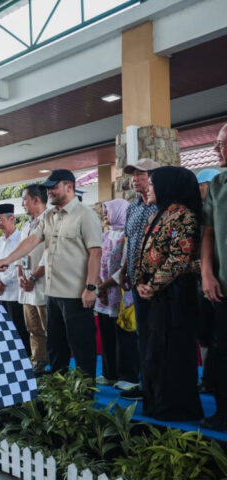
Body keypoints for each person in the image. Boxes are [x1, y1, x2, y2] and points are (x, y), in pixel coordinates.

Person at [0, 169, 102, 380]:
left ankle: (84, 393)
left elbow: (95, 253)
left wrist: (90, 287)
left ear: (69, 186)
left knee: (81, 347)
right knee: (55, 346)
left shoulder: (85, 214)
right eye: (48, 188)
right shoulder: (50, 216)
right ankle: (58, 389)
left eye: (54, 187)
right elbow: (31, 241)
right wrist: (7, 260)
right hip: (52, 294)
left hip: (76, 295)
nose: (49, 192)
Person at [134, 166, 203, 421]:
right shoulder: (158, 215)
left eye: (152, 184)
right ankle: (156, 402)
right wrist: (141, 282)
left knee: (173, 351)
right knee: (154, 350)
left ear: (167, 186)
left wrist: (152, 285)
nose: (148, 188)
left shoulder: (183, 215)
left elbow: (178, 257)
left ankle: (176, 408)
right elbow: (143, 252)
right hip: (155, 295)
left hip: (175, 295)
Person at [118, 158, 160, 400]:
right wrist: (124, 269)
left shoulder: (162, 206)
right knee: (142, 334)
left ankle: (155, 384)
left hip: (157, 284)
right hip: (135, 281)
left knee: (156, 335)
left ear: (153, 177)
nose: (134, 178)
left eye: (140, 174)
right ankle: (144, 382)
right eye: (132, 175)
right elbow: (130, 242)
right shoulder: (132, 208)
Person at [94, 199, 139, 390]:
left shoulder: (126, 235)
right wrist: (98, 285)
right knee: (106, 333)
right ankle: (109, 373)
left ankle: (128, 376)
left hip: (120, 292)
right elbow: (95, 261)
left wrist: (103, 286)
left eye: (108, 211)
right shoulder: (104, 235)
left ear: (120, 212)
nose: (105, 215)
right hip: (103, 293)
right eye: (104, 211)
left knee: (124, 334)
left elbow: (124, 267)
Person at [201, 124, 227, 430]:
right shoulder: (218, 184)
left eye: (221, 144)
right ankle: (222, 414)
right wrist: (207, 273)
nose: (215, 149)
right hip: (222, 285)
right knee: (221, 349)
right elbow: (207, 232)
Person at [0, 203, 29, 358]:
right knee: (4, 329)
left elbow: (18, 264)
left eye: (1, 219)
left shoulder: (21, 238)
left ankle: (24, 358)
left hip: (14, 293)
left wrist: (3, 282)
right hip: (0, 294)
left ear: (11, 218)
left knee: (19, 328)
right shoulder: (0, 241)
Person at [17, 185, 48, 375]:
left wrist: (34, 277)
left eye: (24, 199)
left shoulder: (49, 221)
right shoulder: (26, 226)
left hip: (43, 283)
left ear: (36, 199)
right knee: (33, 328)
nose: (22, 203)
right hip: (26, 286)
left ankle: (54, 362)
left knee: (48, 328)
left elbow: (49, 255)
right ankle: (38, 360)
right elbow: (21, 253)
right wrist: (20, 275)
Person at [196, 169, 221, 395]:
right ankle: (208, 377)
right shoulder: (198, 212)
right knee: (205, 332)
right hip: (204, 280)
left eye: (201, 184)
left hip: (217, 277)